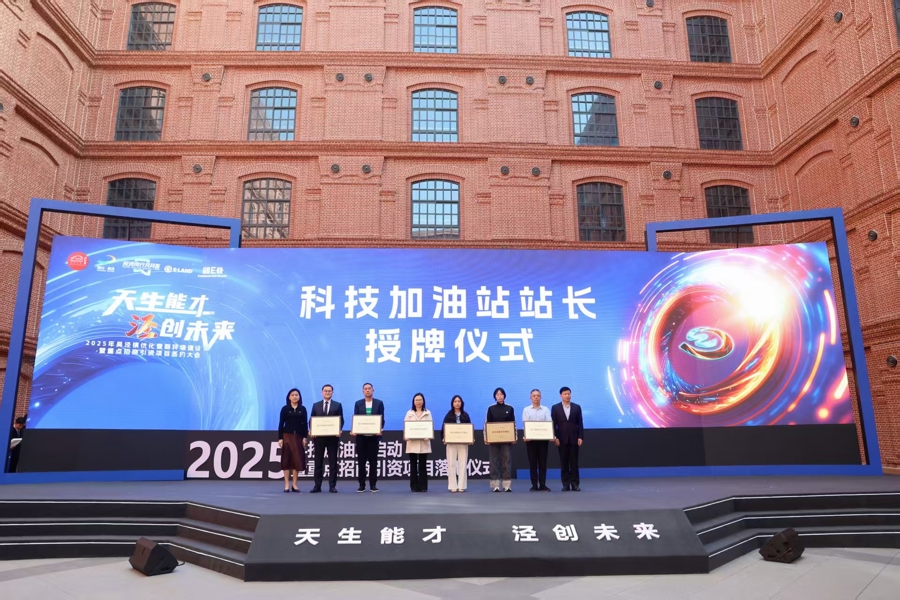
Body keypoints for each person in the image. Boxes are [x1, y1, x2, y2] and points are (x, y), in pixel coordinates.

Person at [309, 384, 344, 493]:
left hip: (332, 438)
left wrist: (339, 429)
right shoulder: (316, 405)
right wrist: (312, 430)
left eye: (329, 391)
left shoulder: (337, 405)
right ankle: (317, 486)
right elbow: (312, 420)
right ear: (322, 392)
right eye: (325, 391)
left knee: (333, 462)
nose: (327, 392)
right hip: (319, 438)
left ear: (332, 392)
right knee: (318, 462)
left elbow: (341, 420)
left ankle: (332, 486)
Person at [352, 382, 384, 493]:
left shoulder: (379, 403)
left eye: (369, 388)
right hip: (361, 438)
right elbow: (356, 418)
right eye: (365, 389)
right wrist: (354, 429)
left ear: (373, 390)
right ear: (362, 391)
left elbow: (382, 419)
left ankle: (373, 485)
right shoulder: (358, 403)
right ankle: (361, 485)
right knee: (361, 462)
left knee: (373, 462)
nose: (367, 390)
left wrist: (380, 428)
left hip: (373, 438)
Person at [551, 386, 584, 491]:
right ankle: (565, 484)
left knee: (574, 463)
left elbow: (580, 423)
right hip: (561, 439)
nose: (567, 396)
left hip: (574, 438)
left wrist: (580, 436)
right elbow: (553, 424)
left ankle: (575, 484)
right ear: (561, 395)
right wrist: (555, 437)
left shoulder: (576, 407)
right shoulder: (555, 408)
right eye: (565, 394)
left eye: (569, 394)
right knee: (564, 462)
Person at [485, 387, 515, 493]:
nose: (500, 396)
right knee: (494, 461)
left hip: (506, 439)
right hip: (493, 439)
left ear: (504, 395)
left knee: (506, 461)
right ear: (495, 396)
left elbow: (513, 424)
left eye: (501, 394)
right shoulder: (491, 408)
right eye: (497, 394)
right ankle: (495, 485)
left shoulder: (509, 408)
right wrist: (486, 437)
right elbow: (487, 424)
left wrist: (514, 436)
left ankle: (507, 485)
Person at [277, 388, 308, 493]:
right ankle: (286, 484)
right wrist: (280, 438)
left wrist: (305, 437)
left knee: (296, 461)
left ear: (299, 397)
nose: (295, 397)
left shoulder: (302, 409)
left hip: (298, 437)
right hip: (287, 437)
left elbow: (305, 424)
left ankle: (294, 484)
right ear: (289, 397)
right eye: (292, 395)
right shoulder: (285, 409)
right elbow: (281, 424)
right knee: (286, 461)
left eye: (296, 395)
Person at [522, 389, 552, 492]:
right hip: (531, 440)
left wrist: (549, 434)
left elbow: (549, 423)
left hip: (543, 440)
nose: (536, 397)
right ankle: (534, 485)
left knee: (543, 463)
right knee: (533, 463)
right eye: (534, 396)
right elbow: (525, 424)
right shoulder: (526, 410)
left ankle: (543, 484)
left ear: (541, 397)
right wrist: (526, 435)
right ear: (530, 397)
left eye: (538, 395)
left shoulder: (546, 410)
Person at [442, 395, 472, 493]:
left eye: (459, 401)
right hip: (451, 443)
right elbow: (444, 428)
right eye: (455, 401)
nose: (457, 403)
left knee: (463, 464)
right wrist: (444, 438)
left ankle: (462, 485)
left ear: (462, 403)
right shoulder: (449, 415)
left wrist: (470, 438)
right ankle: (453, 486)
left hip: (463, 443)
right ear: (452, 403)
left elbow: (469, 428)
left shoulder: (465, 415)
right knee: (451, 464)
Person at [404, 393, 433, 492]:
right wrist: (406, 436)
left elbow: (430, 426)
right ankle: (414, 486)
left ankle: (423, 486)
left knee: (422, 465)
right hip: (412, 443)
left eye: (420, 400)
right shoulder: (409, 413)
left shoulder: (428, 413)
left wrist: (428, 435)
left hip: (423, 442)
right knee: (413, 465)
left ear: (423, 401)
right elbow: (406, 426)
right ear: (413, 402)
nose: (418, 402)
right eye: (416, 400)